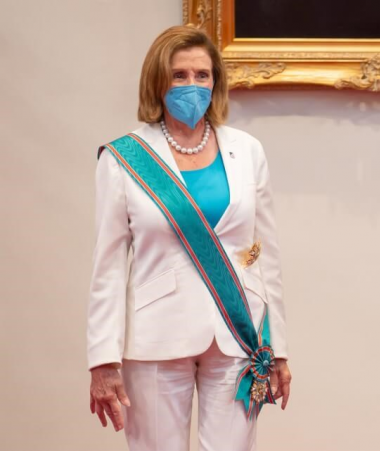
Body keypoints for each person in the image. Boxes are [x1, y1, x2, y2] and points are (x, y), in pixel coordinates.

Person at [87, 25, 291, 451]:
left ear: (216, 81)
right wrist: (103, 359)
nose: (192, 85)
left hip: (239, 335)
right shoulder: (124, 158)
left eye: (202, 75)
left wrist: (279, 347)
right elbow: (107, 269)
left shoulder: (247, 150)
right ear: (158, 81)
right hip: (156, 338)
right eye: (179, 75)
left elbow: (265, 255)